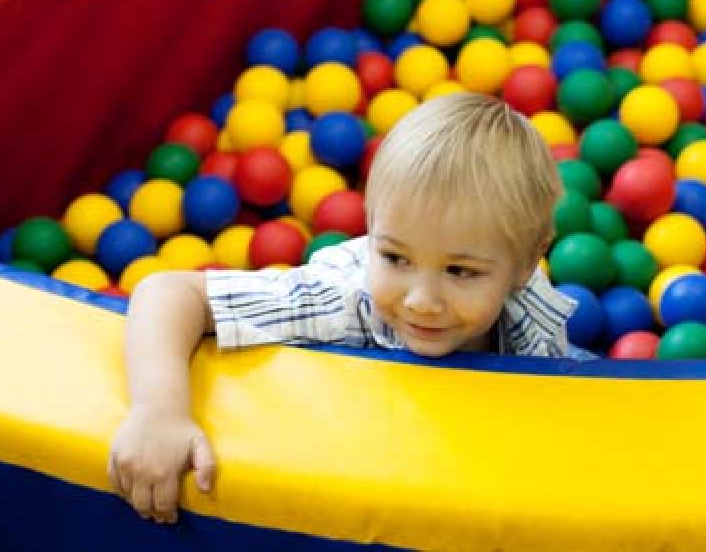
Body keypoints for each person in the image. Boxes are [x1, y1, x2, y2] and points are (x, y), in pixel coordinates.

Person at [107, 92, 581, 524]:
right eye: (395, 257)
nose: (420, 301)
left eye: (460, 271)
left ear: (525, 264)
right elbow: (168, 291)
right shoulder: (341, 300)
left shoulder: (531, 311)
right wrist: (159, 412)